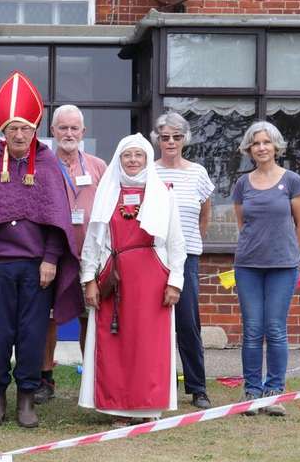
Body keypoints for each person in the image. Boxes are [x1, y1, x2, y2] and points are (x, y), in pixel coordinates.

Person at [0, 71, 82, 428]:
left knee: (31, 335)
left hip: (35, 268)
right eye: (13, 128)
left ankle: (27, 398)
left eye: (26, 128)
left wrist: (51, 259)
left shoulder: (46, 165)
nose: (19, 134)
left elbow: (57, 218)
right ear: (3, 131)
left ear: (35, 130)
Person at [79, 133, 186, 425]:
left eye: (139, 155)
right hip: (114, 274)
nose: (133, 160)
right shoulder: (107, 192)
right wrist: (89, 278)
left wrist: (175, 281)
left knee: (148, 345)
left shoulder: (163, 193)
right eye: (128, 155)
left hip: (152, 278)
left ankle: (147, 406)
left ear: (147, 159)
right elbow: (93, 240)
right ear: (119, 159)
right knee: (115, 343)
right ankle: (117, 406)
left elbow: (176, 241)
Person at [233, 121, 300, 417]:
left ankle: (274, 391)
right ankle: (252, 392)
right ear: (249, 149)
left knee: (275, 329)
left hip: (283, 267)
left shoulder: (291, 181)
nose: (261, 147)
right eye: (255, 143)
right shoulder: (242, 184)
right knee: (252, 330)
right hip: (248, 266)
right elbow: (243, 224)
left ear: (276, 146)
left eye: (266, 142)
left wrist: (289, 253)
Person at [35, 104, 107, 405]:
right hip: (51, 254)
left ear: (83, 132)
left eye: (73, 128)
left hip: (90, 255)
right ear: (52, 131)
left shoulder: (98, 166)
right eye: (62, 128)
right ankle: (44, 377)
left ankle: (91, 376)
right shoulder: (40, 165)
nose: (68, 133)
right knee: (47, 317)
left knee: (89, 315)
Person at [152, 112, 215, 410]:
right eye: (165, 137)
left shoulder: (198, 173)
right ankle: (157, 384)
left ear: (185, 139)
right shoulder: (149, 172)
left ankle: (197, 387)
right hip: (154, 257)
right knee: (154, 323)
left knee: (188, 323)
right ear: (158, 140)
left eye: (176, 137)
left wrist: (192, 242)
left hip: (187, 257)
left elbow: (206, 213)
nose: (171, 142)